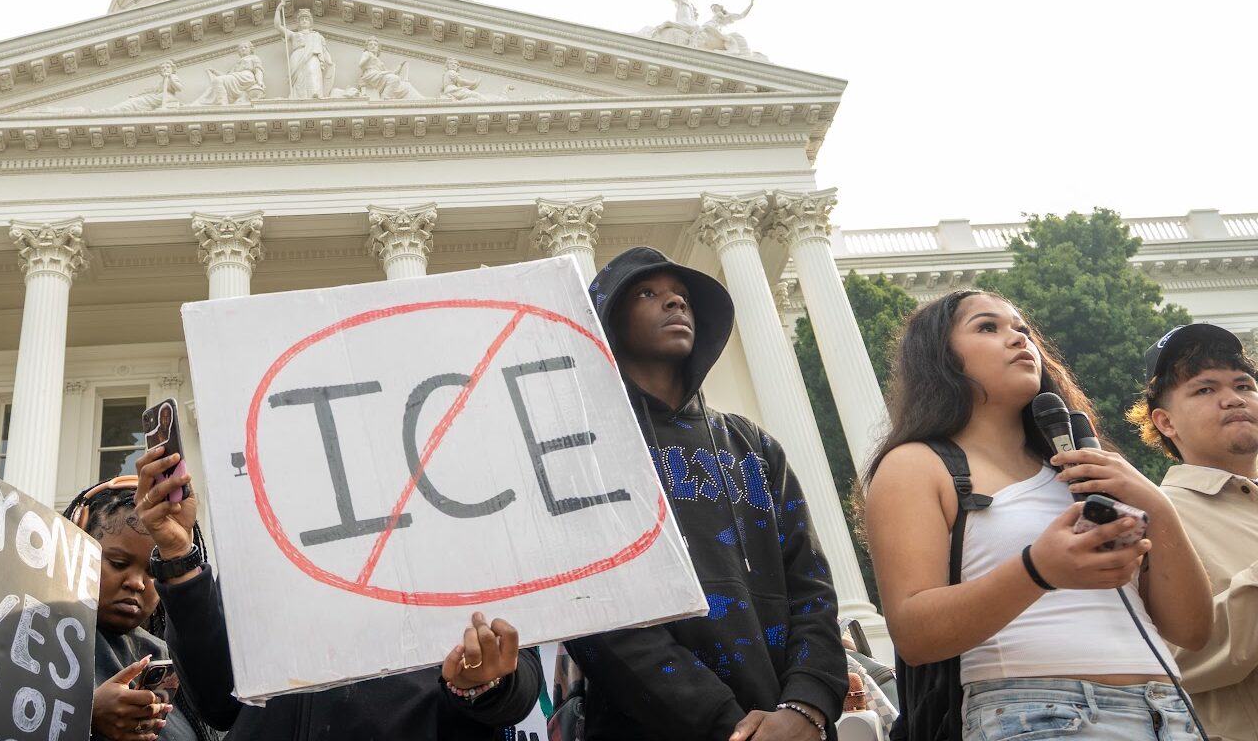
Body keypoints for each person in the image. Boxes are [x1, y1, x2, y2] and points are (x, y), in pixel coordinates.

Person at [864, 290, 1212, 740]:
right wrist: (1038, 570)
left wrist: (1157, 507)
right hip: (1038, 714)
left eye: (1022, 330)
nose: (1018, 339)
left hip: (1168, 711)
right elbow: (913, 633)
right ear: (940, 358)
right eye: (988, 327)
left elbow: (1192, 630)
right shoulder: (915, 464)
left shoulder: (1087, 467)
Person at [565, 247, 847, 741]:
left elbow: (812, 587)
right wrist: (728, 724)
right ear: (608, 318)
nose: (675, 304)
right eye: (648, 293)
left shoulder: (754, 446)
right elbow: (599, 613)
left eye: (683, 297)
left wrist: (805, 705)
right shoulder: (585, 450)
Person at [129, 445, 543, 739]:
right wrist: (179, 556)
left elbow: (520, 680)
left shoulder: (468, 538)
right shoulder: (269, 547)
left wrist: (482, 683)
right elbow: (219, 702)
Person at [1126, 323, 1258, 740]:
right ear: (1164, 422)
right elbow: (1167, 662)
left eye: (1244, 384)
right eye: (1204, 389)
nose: (1234, 398)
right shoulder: (1145, 520)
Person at [63, 477, 222, 741]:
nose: (136, 583)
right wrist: (85, 717)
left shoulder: (176, 660)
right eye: (117, 562)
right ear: (77, 549)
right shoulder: (33, 635)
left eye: (153, 571)